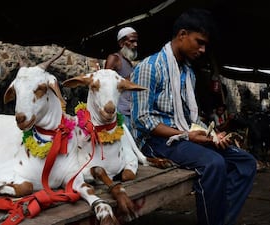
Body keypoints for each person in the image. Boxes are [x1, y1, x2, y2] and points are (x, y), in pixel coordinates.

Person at [130, 8, 256, 225]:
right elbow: (141, 120)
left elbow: (190, 118)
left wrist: (213, 134)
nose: (203, 49)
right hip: (153, 141)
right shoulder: (149, 67)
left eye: (205, 44)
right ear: (182, 35)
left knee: (246, 162)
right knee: (213, 164)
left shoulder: (188, 73)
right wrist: (187, 135)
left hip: (182, 134)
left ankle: (220, 218)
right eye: (199, 42)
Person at [105, 26, 138, 129]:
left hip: (130, 111)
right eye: (132, 41)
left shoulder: (128, 62)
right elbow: (105, 83)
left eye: (136, 41)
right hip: (119, 112)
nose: (135, 45)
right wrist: (130, 79)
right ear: (121, 43)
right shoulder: (114, 58)